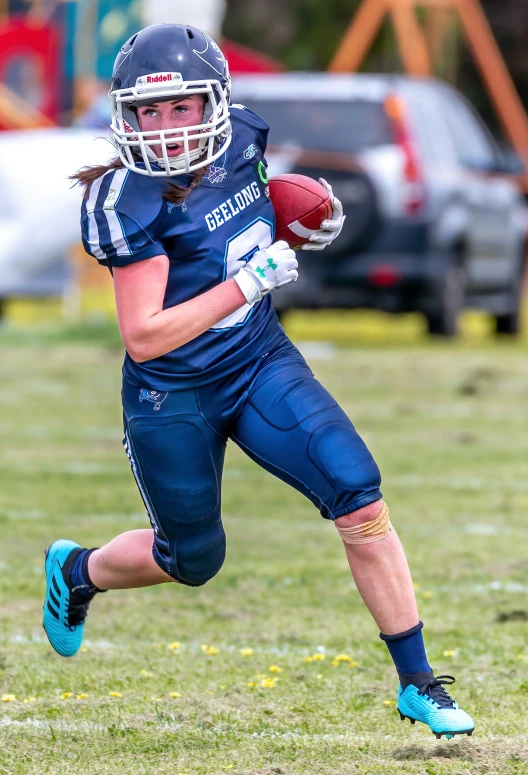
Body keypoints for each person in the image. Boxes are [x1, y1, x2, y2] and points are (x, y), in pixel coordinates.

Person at [43, 24, 473, 740]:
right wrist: (249, 280)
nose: (163, 127)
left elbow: (252, 206)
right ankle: (79, 570)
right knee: (191, 560)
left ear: (213, 102)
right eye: (147, 112)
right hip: (172, 392)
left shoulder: (242, 138)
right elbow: (145, 335)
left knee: (357, 493)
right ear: (125, 115)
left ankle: (418, 681)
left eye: (179, 106)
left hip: (256, 358)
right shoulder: (129, 200)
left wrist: (311, 217)